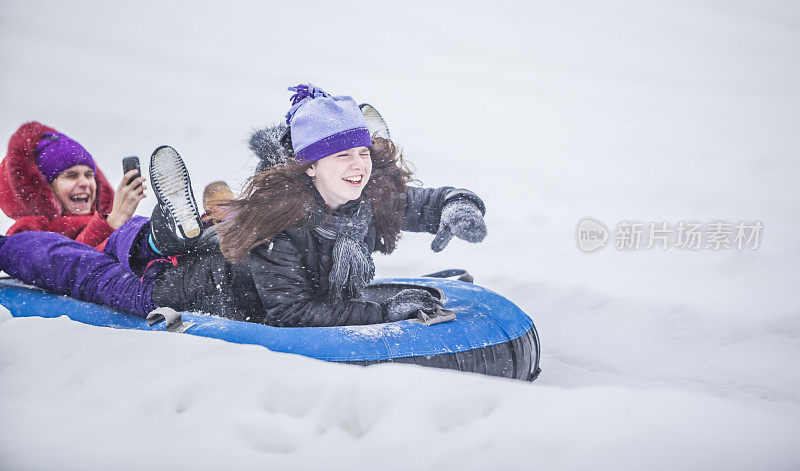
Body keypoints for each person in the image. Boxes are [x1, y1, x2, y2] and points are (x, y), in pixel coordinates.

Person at [0, 84, 487, 327]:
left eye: (364, 153)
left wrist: (456, 206)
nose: (359, 167)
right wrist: (384, 313)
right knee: (73, 260)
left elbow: (415, 201)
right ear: (311, 167)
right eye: (344, 155)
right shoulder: (285, 224)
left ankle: (172, 232)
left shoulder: (362, 191)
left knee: (192, 228)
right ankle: (164, 235)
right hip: (173, 290)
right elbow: (292, 312)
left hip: (215, 244)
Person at [0, 122, 146, 249]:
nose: (85, 183)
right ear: (46, 189)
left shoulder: (113, 221)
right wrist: (112, 222)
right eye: (71, 176)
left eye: (89, 175)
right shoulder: (26, 231)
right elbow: (65, 269)